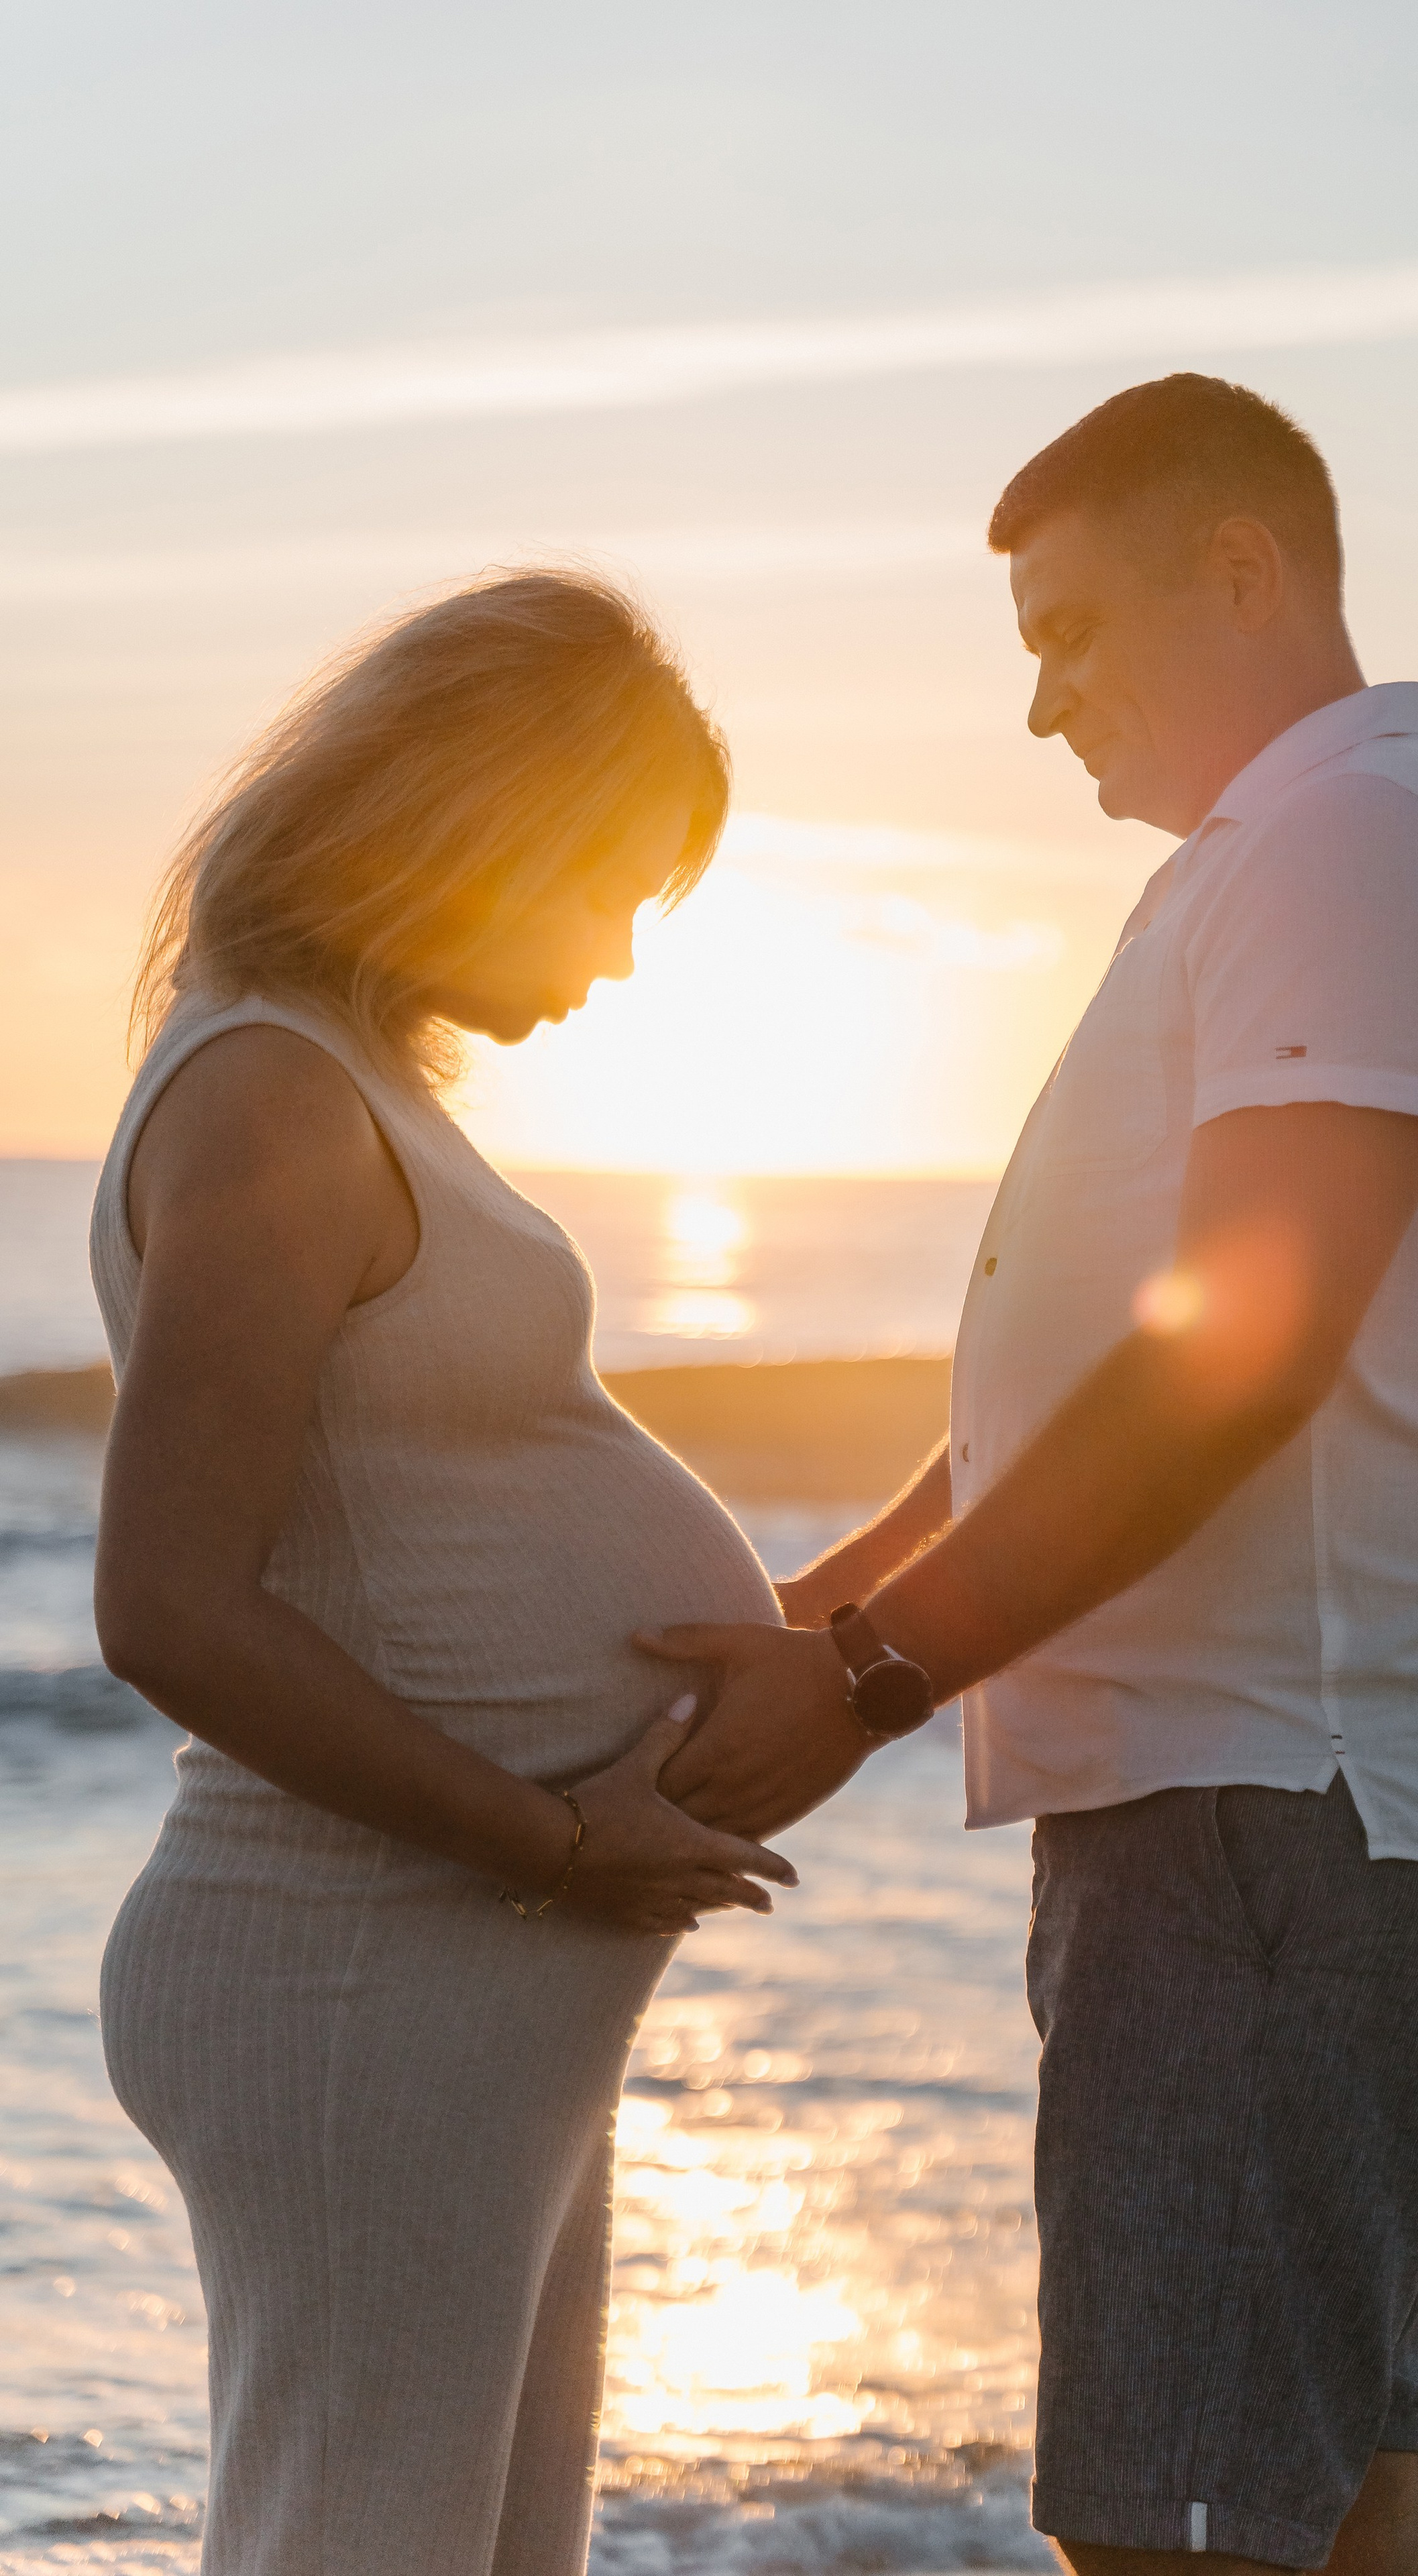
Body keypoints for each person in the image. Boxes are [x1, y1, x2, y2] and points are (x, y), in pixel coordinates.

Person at [642, 376, 1418, 2575]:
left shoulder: (1361, 847)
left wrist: (877, 1677)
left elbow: (1238, 1363)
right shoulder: (1284, 867)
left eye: (1069, 633)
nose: (1041, 705)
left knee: (1181, 2538)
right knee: (1342, 2513)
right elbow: (1096, 1362)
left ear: (1243, 572)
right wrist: (823, 1609)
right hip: (1270, 1810)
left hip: (1287, 1811)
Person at [90, 571, 797, 2576]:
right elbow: (163, 1607)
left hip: (461, 1972)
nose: (629, 955)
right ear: (495, 825)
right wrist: (548, 1841)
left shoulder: (343, 1077)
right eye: (621, 887)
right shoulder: (267, 1096)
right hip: (358, 1966)